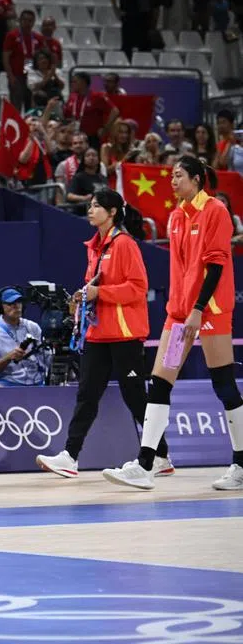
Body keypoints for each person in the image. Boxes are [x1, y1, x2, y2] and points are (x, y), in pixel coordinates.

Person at [104, 159, 243, 491]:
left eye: (179, 176)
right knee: (160, 382)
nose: (173, 181)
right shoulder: (177, 216)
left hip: (209, 311)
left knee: (224, 384)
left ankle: (240, 464)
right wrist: (183, 310)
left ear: (196, 179)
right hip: (179, 315)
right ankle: (147, 463)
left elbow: (216, 266)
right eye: (171, 176)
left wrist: (198, 309)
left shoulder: (216, 211)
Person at [37, 190, 173, 480]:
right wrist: (84, 297)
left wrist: (100, 292)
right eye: (90, 205)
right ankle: (70, 456)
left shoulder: (124, 244)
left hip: (125, 333)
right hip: (98, 333)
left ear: (112, 212)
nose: (90, 210)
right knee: (86, 394)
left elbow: (138, 288)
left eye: (97, 206)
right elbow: (95, 286)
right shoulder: (94, 247)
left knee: (135, 397)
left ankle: (160, 456)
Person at [0, 287, 50, 386]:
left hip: (37, 382)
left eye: (18, 302)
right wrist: (9, 357)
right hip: (8, 382)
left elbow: (46, 359)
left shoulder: (33, 327)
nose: (16, 306)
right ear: (0, 307)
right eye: (10, 304)